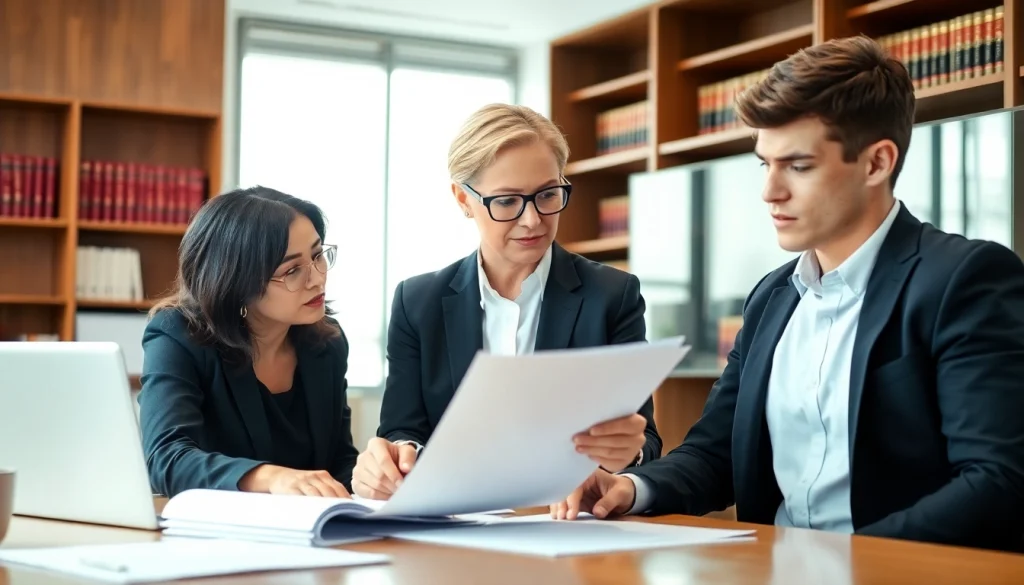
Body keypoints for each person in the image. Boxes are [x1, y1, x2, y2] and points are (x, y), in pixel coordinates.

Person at [552, 36, 1024, 552]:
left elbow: (996, 482)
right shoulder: (774, 296)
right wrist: (631, 487)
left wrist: (846, 563)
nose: (770, 191)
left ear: (876, 163)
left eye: (797, 166)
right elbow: (716, 454)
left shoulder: (965, 278)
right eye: (764, 164)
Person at [350, 103, 663, 500]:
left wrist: (624, 455)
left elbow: (644, 440)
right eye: (507, 201)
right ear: (463, 200)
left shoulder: (612, 296)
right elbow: (402, 430)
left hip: (571, 528)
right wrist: (397, 460)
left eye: (548, 194)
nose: (532, 220)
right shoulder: (418, 302)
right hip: (455, 524)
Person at [138, 186, 360, 499]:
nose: (317, 278)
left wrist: (373, 476)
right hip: (212, 536)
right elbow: (165, 460)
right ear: (238, 281)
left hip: (311, 535)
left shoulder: (326, 343)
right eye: (293, 270)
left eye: (317, 255)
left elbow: (338, 464)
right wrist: (269, 477)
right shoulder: (178, 335)